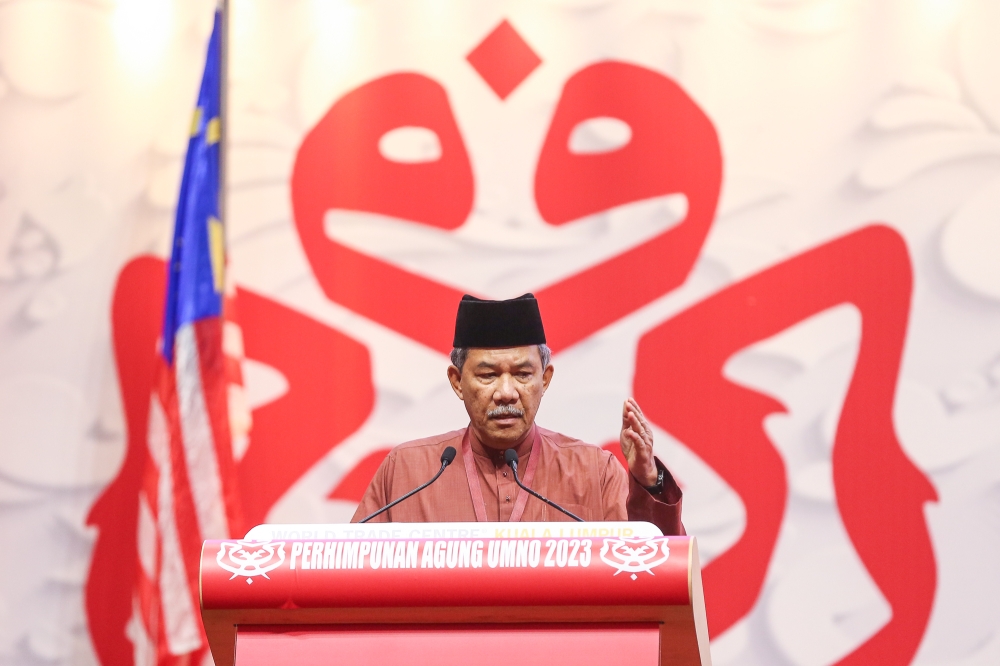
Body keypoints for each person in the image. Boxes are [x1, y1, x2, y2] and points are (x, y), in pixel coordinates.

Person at [351, 294, 684, 534]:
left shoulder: (595, 473)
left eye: (523, 374)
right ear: (457, 382)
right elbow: (347, 576)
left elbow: (655, 572)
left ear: (545, 379)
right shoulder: (408, 474)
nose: (506, 392)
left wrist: (647, 481)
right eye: (488, 375)